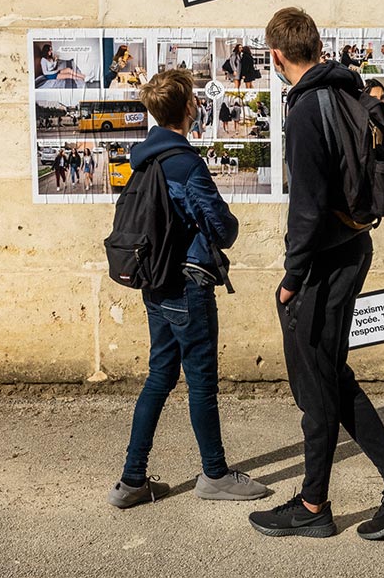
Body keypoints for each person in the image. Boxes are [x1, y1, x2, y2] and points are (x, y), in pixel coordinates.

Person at [249, 7, 384, 540]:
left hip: (324, 262)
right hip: (353, 246)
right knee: (329, 376)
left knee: (316, 384)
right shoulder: (350, 93)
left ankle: (318, 507)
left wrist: (291, 276)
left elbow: (306, 205)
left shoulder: (307, 108)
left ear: (277, 55)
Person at [108, 68, 269, 510]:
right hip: (188, 284)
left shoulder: (143, 161)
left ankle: (131, 481)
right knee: (201, 384)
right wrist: (225, 222)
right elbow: (222, 227)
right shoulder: (185, 163)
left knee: (159, 377)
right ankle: (215, 475)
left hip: (155, 284)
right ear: (189, 109)